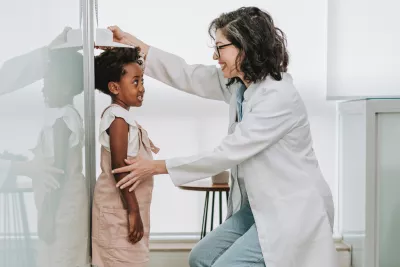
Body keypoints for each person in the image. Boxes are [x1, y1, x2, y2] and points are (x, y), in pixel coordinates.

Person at [110, 6, 338, 267]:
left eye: (221, 47)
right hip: (258, 207)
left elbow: (228, 152)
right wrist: (135, 46)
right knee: (201, 257)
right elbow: (188, 74)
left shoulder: (278, 97)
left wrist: (156, 167)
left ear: (246, 46)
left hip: (292, 211)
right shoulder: (239, 83)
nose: (215, 55)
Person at [91, 47, 159, 267]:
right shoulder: (117, 118)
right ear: (115, 87)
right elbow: (119, 166)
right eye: (136, 82)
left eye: (142, 82)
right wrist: (133, 211)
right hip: (120, 211)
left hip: (124, 208)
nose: (142, 89)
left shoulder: (123, 117)